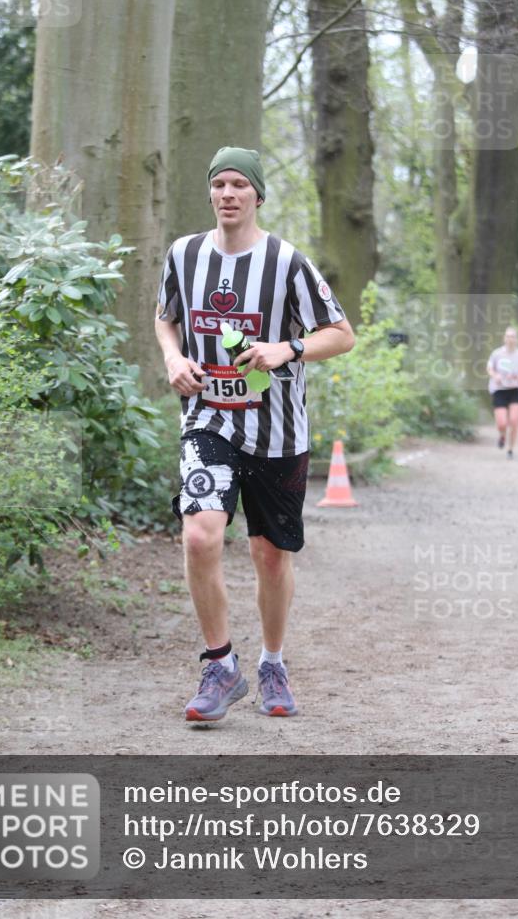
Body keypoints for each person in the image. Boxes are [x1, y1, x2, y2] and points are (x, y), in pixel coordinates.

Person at [154, 146, 355, 722]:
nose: (228, 194)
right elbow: (166, 317)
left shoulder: (287, 262)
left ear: (258, 195)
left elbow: (341, 334)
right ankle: (220, 666)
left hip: (278, 431)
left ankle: (272, 662)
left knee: (269, 556)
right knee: (200, 536)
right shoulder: (184, 254)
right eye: (219, 183)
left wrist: (286, 348)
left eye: (239, 184)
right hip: (207, 419)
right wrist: (173, 359)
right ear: (210, 192)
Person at [486, 326, 518, 459]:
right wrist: (495, 375)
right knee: (502, 423)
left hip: (515, 389)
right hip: (499, 389)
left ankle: (510, 449)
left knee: (514, 420)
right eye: (508, 336)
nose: (510, 339)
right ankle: (502, 435)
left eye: (512, 336)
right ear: (504, 338)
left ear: (517, 339)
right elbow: (489, 368)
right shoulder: (497, 354)